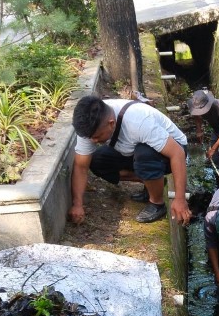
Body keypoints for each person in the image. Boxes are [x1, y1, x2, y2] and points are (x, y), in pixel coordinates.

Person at [69, 95, 191, 225]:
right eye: (90, 137)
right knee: (97, 161)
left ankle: (157, 204)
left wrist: (180, 199)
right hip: (132, 148)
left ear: (111, 124)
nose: (93, 141)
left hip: (173, 149)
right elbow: (81, 166)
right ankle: (153, 182)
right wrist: (77, 204)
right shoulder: (89, 124)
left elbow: (177, 153)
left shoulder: (139, 122)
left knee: (144, 154)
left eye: (97, 137)